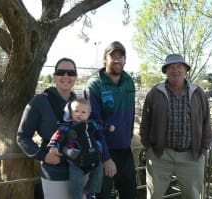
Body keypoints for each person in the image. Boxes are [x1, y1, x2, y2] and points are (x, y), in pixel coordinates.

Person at [139, 53, 212, 199]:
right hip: (161, 156)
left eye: (179, 66)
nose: (175, 70)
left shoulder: (198, 93)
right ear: (165, 71)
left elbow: (206, 122)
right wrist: (149, 148)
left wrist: (203, 150)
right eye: (171, 67)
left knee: (192, 196)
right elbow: (145, 122)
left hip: (192, 156)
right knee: (154, 195)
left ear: (186, 70)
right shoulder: (155, 93)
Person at [16, 57, 78, 199]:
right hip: (55, 172)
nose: (66, 76)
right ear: (54, 76)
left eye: (71, 73)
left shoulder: (79, 104)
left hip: (79, 172)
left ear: (75, 77)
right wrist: (44, 156)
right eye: (61, 72)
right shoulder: (40, 101)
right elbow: (22, 136)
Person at [83, 41, 137, 199]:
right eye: (113, 56)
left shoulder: (128, 82)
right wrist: (106, 157)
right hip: (102, 153)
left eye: (121, 57)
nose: (117, 60)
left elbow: (131, 113)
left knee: (130, 193)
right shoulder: (94, 85)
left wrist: (129, 138)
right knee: (103, 195)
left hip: (125, 150)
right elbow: (93, 124)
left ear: (125, 60)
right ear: (105, 59)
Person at [48, 98, 115, 199]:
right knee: (76, 181)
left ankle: (90, 191)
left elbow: (100, 125)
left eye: (83, 112)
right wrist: (53, 146)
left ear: (89, 114)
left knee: (98, 173)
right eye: (76, 111)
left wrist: (108, 127)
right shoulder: (68, 125)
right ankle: (77, 197)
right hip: (76, 160)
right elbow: (58, 135)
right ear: (71, 112)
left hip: (92, 157)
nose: (79, 114)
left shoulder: (91, 123)